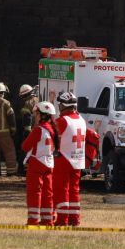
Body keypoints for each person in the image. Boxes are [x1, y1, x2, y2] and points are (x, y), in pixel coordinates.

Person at [53, 92, 99, 226]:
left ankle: (62, 220)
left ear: (62, 105)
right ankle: (74, 219)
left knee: (61, 190)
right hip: (77, 160)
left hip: (63, 159)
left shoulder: (61, 121)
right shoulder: (80, 119)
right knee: (74, 190)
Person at [21, 101, 57, 225]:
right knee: (48, 193)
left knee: (34, 192)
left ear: (42, 115)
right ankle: (48, 220)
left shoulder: (38, 130)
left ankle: (33, 220)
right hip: (49, 163)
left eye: (36, 114)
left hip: (37, 163)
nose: (35, 117)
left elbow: (25, 146)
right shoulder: (53, 130)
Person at [16, 84, 39, 175]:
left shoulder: (28, 103)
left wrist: (27, 130)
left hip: (31, 130)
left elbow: (27, 117)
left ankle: (21, 170)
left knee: (24, 149)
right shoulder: (38, 99)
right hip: (39, 129)